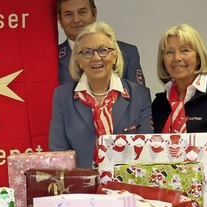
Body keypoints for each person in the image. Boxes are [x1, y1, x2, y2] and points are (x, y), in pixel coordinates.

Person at [49, 22, 153, 169]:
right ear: (78, 61)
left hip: (127, 185)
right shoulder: (63, 96)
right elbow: (59, 156)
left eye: (103, 50)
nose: (96, 58)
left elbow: (146, 152)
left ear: (115, 56)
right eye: (87, 52)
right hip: (81, 187)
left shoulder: (139, 95)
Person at [152, 24, 207, 133]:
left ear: (199, 57)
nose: (177, 58)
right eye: (169, 52)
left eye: (185, 50)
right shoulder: (159, 104)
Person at [56, 0, 144, 86]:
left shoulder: (127, 53)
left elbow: (139, 99)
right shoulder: (51, 58)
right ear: (60, 19)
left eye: (82, 12)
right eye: (68, 14)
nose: (76, 20)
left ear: (94, 13)